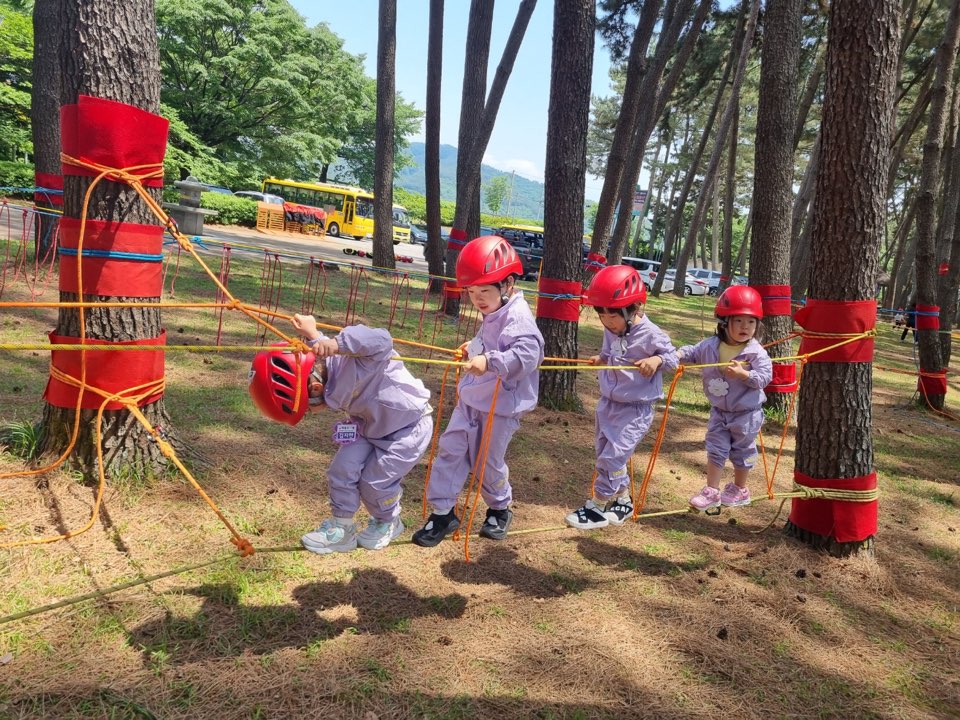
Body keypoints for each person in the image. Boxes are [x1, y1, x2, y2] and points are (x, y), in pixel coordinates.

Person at [248, 317, 433, 554]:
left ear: (314, 388)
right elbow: (328, 356)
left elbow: (382, 339)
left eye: (308, 407)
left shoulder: (355, 356)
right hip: (367, 426)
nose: (312, 412)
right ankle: (342, 528)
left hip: (407, 428)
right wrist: (317, 338)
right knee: (341, 470)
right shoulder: (329, 372)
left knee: (375, 482)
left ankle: (388, 520)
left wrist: (333, 342)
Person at [412, 235, 544, 547]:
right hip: (471, 399)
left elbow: (527, 355)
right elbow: (489, 338)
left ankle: (500, 508)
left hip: (501, 407)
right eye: (472, 292)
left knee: (487, 462)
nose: (478, 299)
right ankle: (443, 513)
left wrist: (490, 360)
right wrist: (473, 348)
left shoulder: (520, 316)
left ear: (508, 283)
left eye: (484, 291)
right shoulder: (495, 310)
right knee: (450, 450)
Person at [565, 265, 679, 529]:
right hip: (607, 404)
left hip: (636, 409)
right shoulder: (612, 329)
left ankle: (597, 506)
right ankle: (623, 501)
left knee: (613, 457)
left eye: (612, 315)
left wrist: (656, 358)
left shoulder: (652, 334)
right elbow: (610, 350)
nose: (607, 321)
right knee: (604, 453)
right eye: (601, 314)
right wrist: (601, 358)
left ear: (635, 308)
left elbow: (674, 357)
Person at [678, 286, 773, 511]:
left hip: (747, 414)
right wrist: (679, 355)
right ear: (724, 322)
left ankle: (740, 488)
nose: (745, 327)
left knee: (742, 450)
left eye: (751, 322)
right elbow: (693, 352)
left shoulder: (756, 352)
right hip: (720, 410)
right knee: (715, 447)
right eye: (738, 321)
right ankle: (711, 490)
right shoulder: (711, 345)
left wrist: (745, 375)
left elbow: (765, 377)